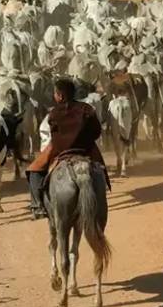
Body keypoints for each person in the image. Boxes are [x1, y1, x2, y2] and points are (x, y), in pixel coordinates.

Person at [26, 78, 108, 220]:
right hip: (86, 148)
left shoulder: (53, 113)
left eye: (55, 94)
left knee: (34, 170)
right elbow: (97, 132)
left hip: (60, 149)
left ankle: (38, 205)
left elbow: (54, 136)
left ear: (60, 96)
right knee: (100, 168)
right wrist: (85, 140)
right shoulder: (87, 109)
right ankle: (103, 190)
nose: (54, 96)